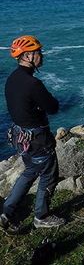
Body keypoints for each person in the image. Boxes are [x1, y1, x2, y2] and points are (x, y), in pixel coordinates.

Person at [1, 36, 65, 232]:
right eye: (38, 52)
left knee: (29, 173)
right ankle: (42, 216)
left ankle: (6, 211)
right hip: (38, 139)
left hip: (21, 137)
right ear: (27, 56)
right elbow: (53, 107)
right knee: (48, 174)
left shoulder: (11, 79)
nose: (41, 55)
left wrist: (37, 106)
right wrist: (42, 105)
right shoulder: (33, 84)